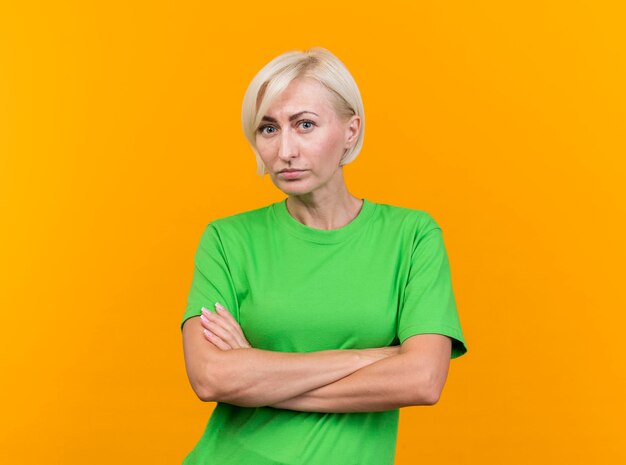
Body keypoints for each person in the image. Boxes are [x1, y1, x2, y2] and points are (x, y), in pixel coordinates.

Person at [180, 47, 468, 465]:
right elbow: (211, 378)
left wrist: (259, 376)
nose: (285, 150)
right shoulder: (227, 240)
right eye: (268, 129)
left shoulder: (411, 236)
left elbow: (422, 380)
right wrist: (371, 357)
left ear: (351, 131)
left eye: (305, 125)